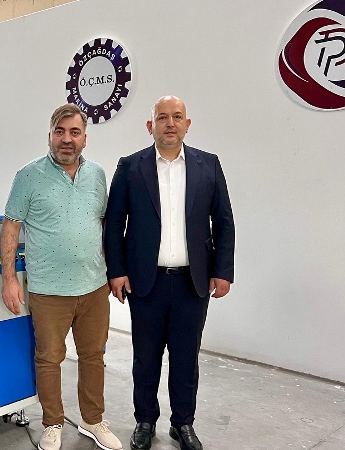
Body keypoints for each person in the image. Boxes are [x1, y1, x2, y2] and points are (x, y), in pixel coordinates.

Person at [103, 96, 235, 450]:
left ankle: (183, 423)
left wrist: (223, 270)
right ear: (151, 126)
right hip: (146, 282)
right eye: (162, 117)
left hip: (194, 282)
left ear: (187, 124)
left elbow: (223, 222)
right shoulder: (130, 167)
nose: (170, 123)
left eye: (177, 117)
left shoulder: (208, 165)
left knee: (186, 358)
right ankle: (145, 420)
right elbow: (114, 224)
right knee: (145, 358)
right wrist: (116, 271)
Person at [1, 103, 122, 450]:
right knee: (49, 358)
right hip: (48, 289)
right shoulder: (28, 175)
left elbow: (103, 225)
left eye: (74, 132)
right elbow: (11, 226)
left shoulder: (97, 175)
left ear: (85, 138)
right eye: (60, 132)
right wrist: (9, 278)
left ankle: (93, 420)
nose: (66, 139)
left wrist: (112, 272)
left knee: (93, 356)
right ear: (50, 136)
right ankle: (52, 423)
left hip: (94, 286)